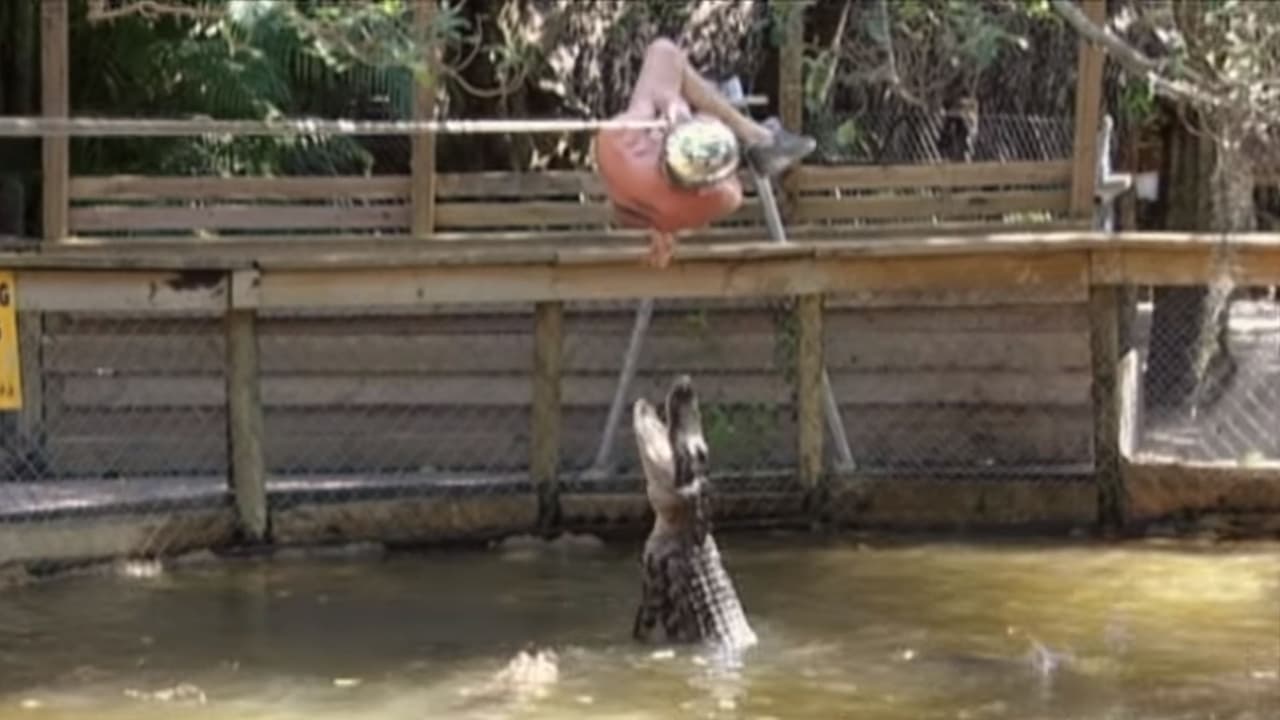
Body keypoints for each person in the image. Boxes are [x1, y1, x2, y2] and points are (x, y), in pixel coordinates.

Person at [594, 39, 817, 267]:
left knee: (667, 60)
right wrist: (680, 108)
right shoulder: (722, 197)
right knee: (682, 83)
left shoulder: (619, 148)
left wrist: (668, 103)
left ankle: (753, 133)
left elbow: (662, 55)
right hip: (656, 208)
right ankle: (755, 135)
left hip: (640, 192)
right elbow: (728, 185)